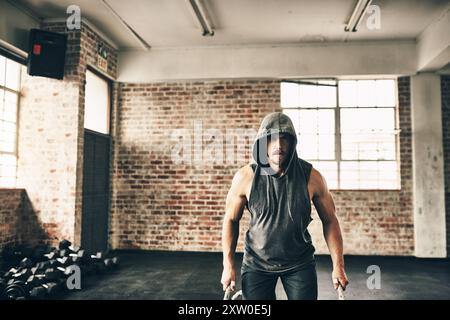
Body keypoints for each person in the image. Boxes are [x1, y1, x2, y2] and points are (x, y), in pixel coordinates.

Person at [221, 112, 348, 300]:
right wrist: (228, 265)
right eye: (272, 139)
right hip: (257, 263)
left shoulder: (312, 178)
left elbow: (330, 220)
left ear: (292, 143)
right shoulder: (245, 177)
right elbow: (231, 220)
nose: (279, 145)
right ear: (262, 143)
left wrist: (339, 266)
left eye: (284, 139)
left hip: (299, 263)